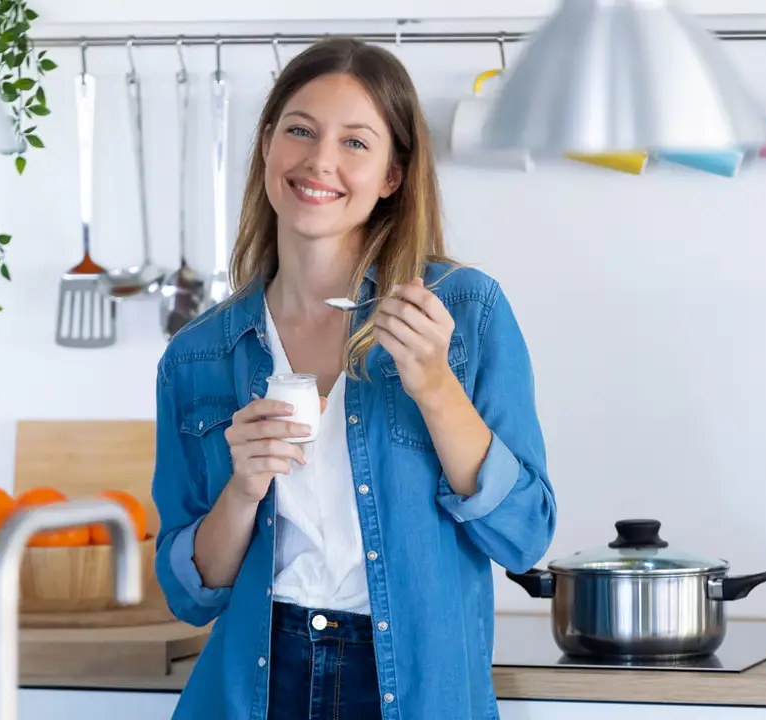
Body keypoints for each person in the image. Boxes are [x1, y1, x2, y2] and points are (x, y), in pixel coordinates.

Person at [151, 36, 556, 720]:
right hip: (254, 690)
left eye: (356, 143)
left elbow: (524, 537)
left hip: (413, 692)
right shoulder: (198, 356)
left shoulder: (464, 312)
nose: (319, 162)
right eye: (301, 131)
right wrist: (243, 489)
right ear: (267, 144)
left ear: (394, 175)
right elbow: (191, 594)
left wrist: (435, 386)